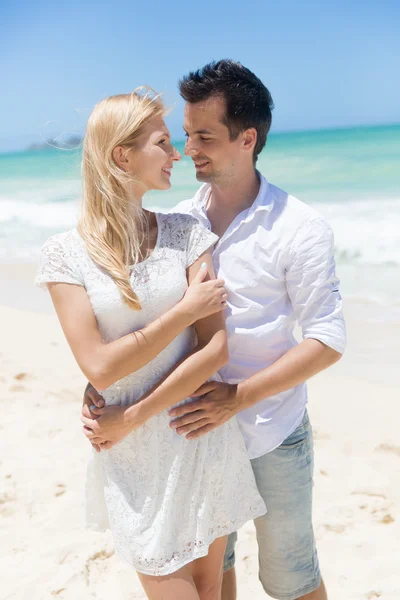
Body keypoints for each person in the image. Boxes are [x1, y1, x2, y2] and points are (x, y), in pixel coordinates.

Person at [83, 61, 346, 600]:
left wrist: (237, 397)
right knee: (213, 575)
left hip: (272, 429)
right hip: (191, 435)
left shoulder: (300, 227)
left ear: (247, 138)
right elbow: (143, 316)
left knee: (291, 577)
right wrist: (109, 382)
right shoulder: (180, 221)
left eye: (204, 135)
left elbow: (327, 339)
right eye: (184, 134)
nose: (188, 148)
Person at [35, 88, 266, 600]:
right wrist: (183, 311)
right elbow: (98, 365)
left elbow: (215, 349)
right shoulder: (63, 257)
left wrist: (136, 412)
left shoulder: (188, 233)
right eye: (163, 142)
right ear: (123, 155)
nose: (178, 154)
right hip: (131, 454)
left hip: (195, 431)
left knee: (214, 591)